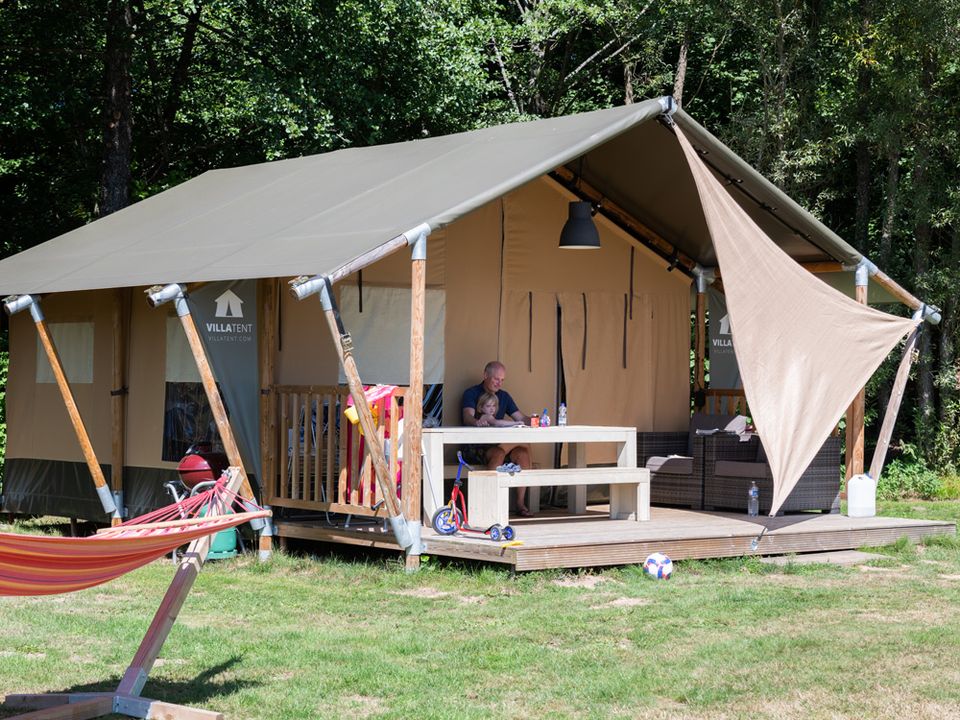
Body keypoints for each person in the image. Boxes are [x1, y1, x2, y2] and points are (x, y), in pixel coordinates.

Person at [461, 361, 533, 516]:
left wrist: (535, 421)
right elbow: (467, 417)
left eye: (502, 380)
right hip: (476, 447)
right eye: (496, 379)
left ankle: (520, 504)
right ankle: (487, 503)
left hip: (499, 445)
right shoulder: (471, 393)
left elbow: (520, 417)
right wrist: (476, 422)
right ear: (485, 375)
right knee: (500, 452)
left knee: (523, 453)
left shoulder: (504, 396)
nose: (499, 383)